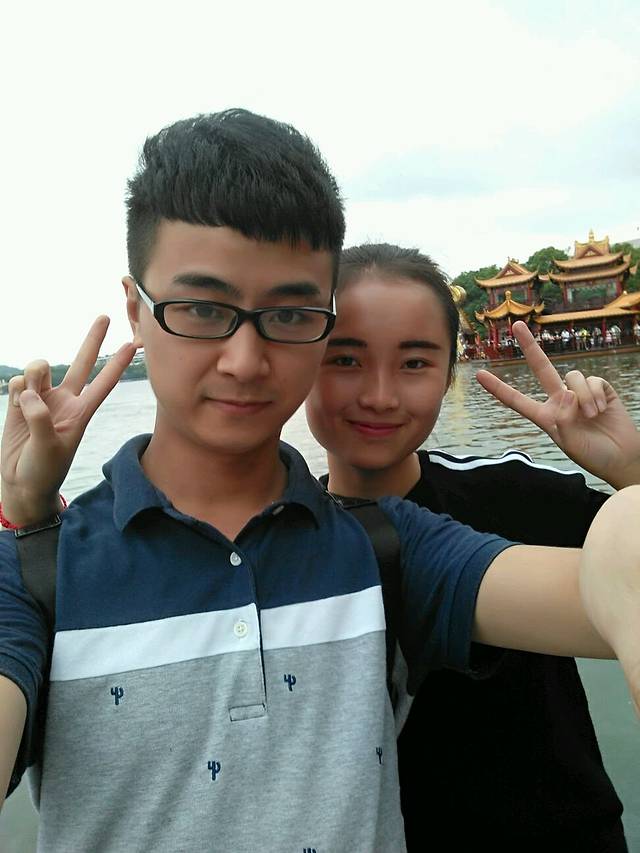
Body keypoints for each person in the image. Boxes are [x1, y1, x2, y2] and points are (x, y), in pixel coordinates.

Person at [1, 112, 640, 853]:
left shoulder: (386, 548)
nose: (245, 361)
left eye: (289, 314)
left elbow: (608, 581)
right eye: (202, 308)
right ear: (137, 310)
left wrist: (628, 502)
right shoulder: (37, 573)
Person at [304, 243, 640, 852]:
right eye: (344, 359)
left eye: (414, 363)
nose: (380, 395)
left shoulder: (514, 493)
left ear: (448, 374)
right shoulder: (279, 539)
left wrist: (630, 469)